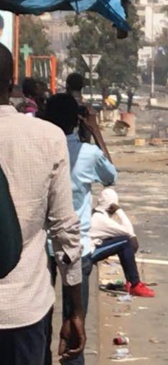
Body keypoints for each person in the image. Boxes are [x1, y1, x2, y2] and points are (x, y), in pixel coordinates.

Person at [0, 45, 86, 364]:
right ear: (12, 84)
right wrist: (75, 310)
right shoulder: (47, 137)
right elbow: (65, 230)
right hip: (23, 310)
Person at [43, 93, 117, 365]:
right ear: (77, 120)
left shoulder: (41, 149)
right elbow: (110, 176)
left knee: (41, 319)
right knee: (75, 320)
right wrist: (95, 131)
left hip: (43, 246)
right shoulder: (89, 154)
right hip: (77, 246)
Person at [90, 189, 155, 297]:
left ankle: (131, 281)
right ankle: (135, 284)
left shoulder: (96, 214)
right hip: (89, 253)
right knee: (125, 242)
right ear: (111, 206)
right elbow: (128, 231)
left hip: (90, 247)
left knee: (122, 240)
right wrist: (119, 211)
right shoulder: (100, 219)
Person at [65, 73, 112, 162]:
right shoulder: (86, 110)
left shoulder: (61, 108)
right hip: (82, 156)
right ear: (82, 86)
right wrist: (95, 129)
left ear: (67, 86)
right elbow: (109, 166)